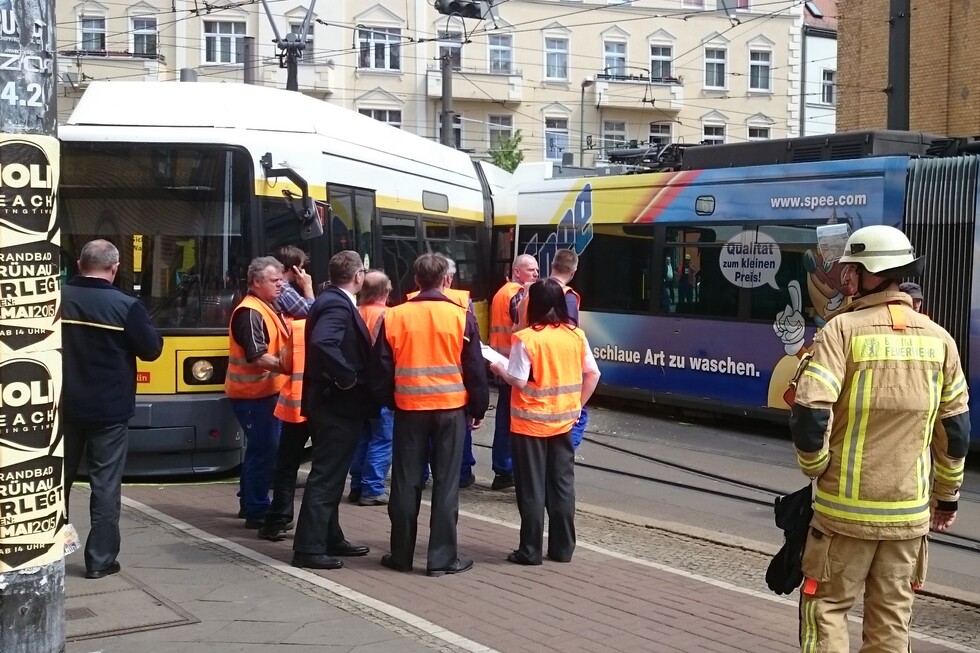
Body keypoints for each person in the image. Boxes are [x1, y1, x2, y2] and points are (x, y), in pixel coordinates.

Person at [790, 225, 969, 652]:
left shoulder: (841, 332)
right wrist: (947, 497)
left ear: (867, 274)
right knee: (891, 623)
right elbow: (956, 431)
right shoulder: (940, 340)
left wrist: (816, 469)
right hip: (908, 519)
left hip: (841, 518)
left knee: (827, 609)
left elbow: (811, 414)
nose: (844, 278)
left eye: (849, 270)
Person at [373, 253, 489, 576]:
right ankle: (441, 559)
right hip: (450, 410)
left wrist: (390, 401)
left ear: (416, 281)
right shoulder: (460, 316)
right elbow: (475, 368)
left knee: (406, 482)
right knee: (446, 483)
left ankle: (400, 555)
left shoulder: (394, 317)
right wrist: (478, 408)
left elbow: (381, 368)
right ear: (446, 281)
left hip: (409, 410)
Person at [62, 239, 164, 579]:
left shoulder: (56, 298)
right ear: (115, 267)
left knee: (54, 483)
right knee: (104, 485)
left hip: (61, 407)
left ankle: (48, 551)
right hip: (109, 410)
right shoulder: (125, 306)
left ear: (79, 264)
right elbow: (151, 351)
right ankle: (100, 559)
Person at [489, 278, 601, 566]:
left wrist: (500, 369)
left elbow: (518, 379)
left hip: (529, 425)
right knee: (562, 485)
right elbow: (594, 374)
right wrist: (577, 404)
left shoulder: (527, 338)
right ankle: (563, 549)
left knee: (531, 487)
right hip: (564, 422)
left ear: (534, 304)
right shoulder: (576, 335)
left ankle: (530, 551)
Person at [292, 251, 376, 570]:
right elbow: (324, 342)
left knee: (333, 472)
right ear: (358, 276)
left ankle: (329, 536)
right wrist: (347, 376)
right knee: (327, 475)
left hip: (331, 403)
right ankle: (309, 547)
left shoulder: (332, 301)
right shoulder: (337, 304)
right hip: (335, 404)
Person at [257, 247, 316, 542]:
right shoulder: (333, 323)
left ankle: (278, 519)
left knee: (286, 465)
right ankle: (320, 528)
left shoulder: (298, 328)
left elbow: (284, 364)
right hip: (322, 407)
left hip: (293, 405)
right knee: (324, 468)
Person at [226, 257, 290, 528]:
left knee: (260, 449)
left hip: (262, 393)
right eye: (274, 280)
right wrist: (288, 366)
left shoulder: (264, 306)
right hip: (253, 395)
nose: (281, 284)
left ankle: (251, 503)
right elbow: (257, 355)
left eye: (281, 279)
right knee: (264, 450)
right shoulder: (250, 311)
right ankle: (256, 508)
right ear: (256, 282)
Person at [488, 254, 539, 491]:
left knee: (503, 419)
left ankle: (502, 470)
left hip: (502, 363)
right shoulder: (518, 293)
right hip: (515, 366)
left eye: (537, 270)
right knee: (515, 422)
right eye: (530, 270)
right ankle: (509, 470)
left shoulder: (501, 292)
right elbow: (525, 325)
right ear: (517, 271)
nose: (536, 274)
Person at [348, 270, 395, 506]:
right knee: (383, 439)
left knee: (362, 437)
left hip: (357, 386)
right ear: (386, 291)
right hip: (380, 387)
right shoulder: (388, 316)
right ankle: (373, 488)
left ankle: (356, 485)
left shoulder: (354, 313)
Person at [273, 245, 315, 318]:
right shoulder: (284, 289)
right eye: (301, 267)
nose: (303, 271)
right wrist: (307, 287)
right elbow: (312, 314)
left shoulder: (279, 285)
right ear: (294, 268)